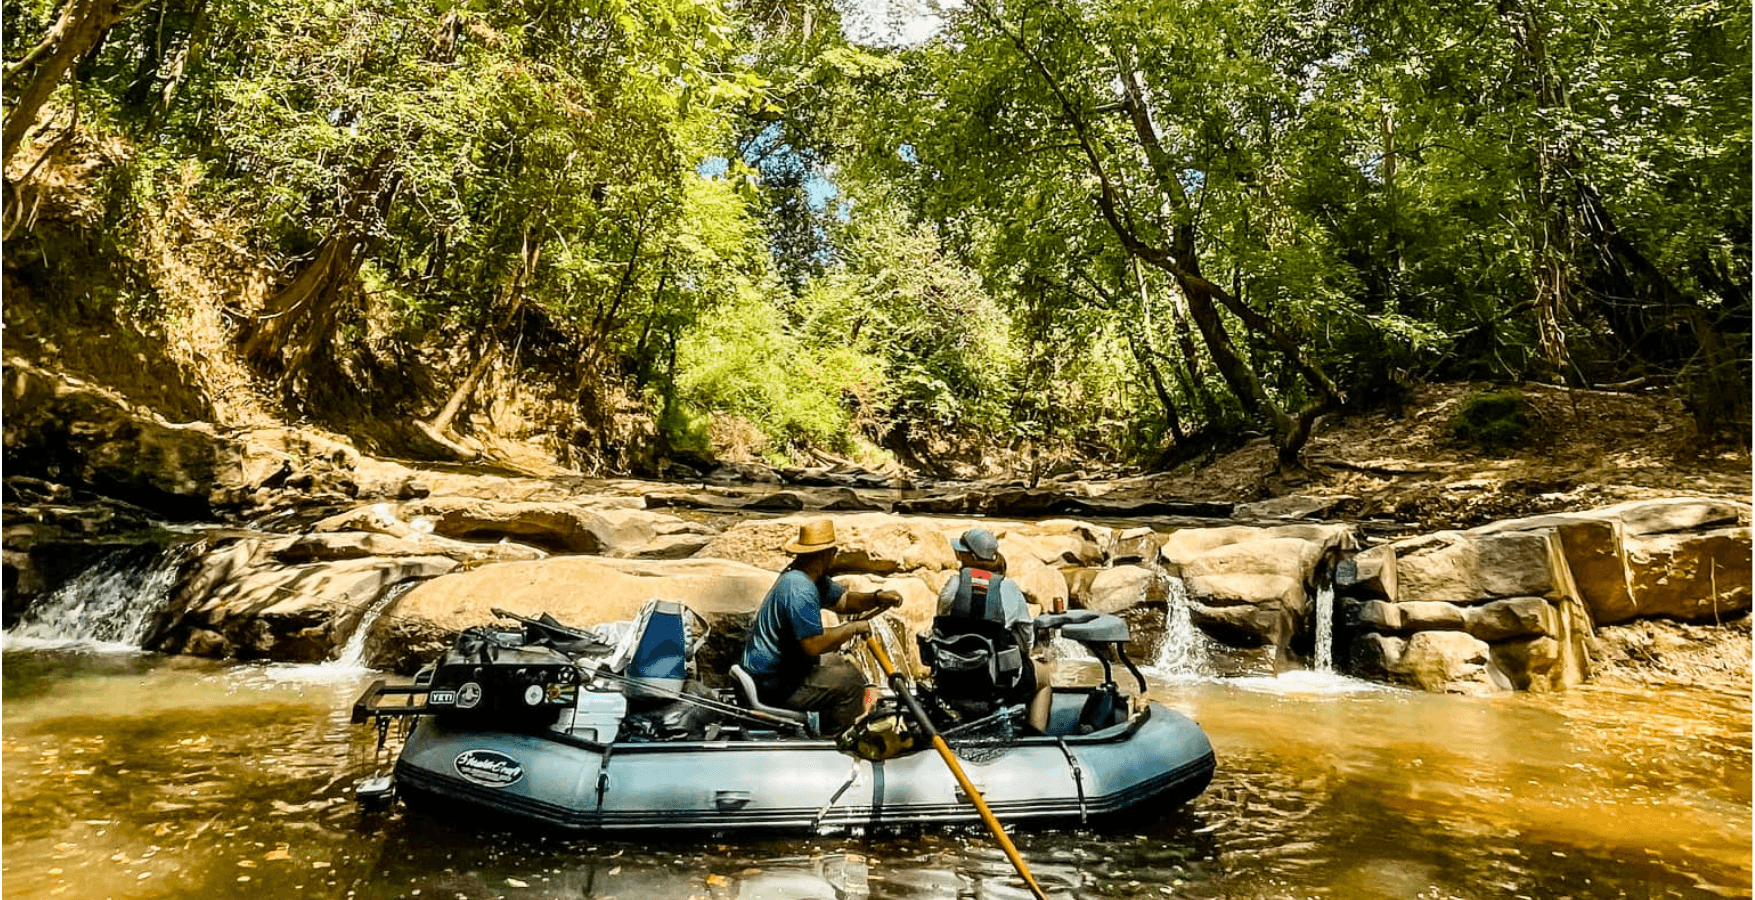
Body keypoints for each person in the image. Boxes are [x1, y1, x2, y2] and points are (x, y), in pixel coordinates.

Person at [740, 519, 901, 734]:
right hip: (771, 685)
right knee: (850, 683)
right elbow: (813, 646)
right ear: (828, 553)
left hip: (777, 675)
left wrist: (877, 597)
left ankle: (829, 723)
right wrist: (851, 628)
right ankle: (839, 740)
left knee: (843, 664)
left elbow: (843, 600)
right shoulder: (800, 588)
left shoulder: (809, 577)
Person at [934, 528, 1053, 733]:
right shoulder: (1009, 588)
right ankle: (1036, 739)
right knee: (1044, 680)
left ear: (971, 556)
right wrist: (1023, 655)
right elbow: (1026, 636)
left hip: (951, 677)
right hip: (994, 681)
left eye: (961, 552)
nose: (958, 556)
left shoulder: (952, 586)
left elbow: (940, 626)